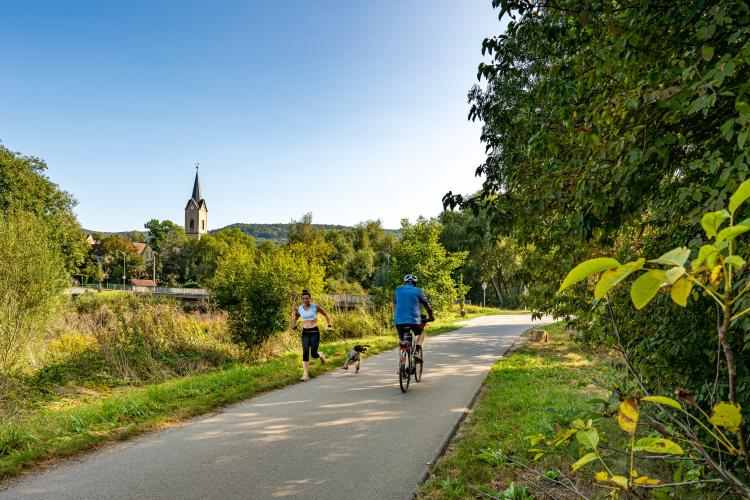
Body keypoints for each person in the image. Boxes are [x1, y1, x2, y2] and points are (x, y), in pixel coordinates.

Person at [292, 289, 333, 381]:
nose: (305, 300)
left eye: (307, 298)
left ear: (310, 298)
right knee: (305, 351)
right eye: (303, 298)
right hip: (305, 333)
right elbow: (295, 318)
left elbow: (326, 314)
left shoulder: (315, 307)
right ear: (301, 299)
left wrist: (329, 325)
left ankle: (320, 355)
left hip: (315, 332)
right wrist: (293, 325)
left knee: (314, 354)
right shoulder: (300, 308)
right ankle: (305, 374)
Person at [394, 274, 434, 362]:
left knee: (403, 341)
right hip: (414, 321)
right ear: (415, 283)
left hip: (399, 321)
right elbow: (427, 306)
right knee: (421, 332)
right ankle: (417, 350)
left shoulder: (398, 290)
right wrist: (431, 317)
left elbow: (395, 304)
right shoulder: (418, 291)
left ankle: (402, 364)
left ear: (405, 282)